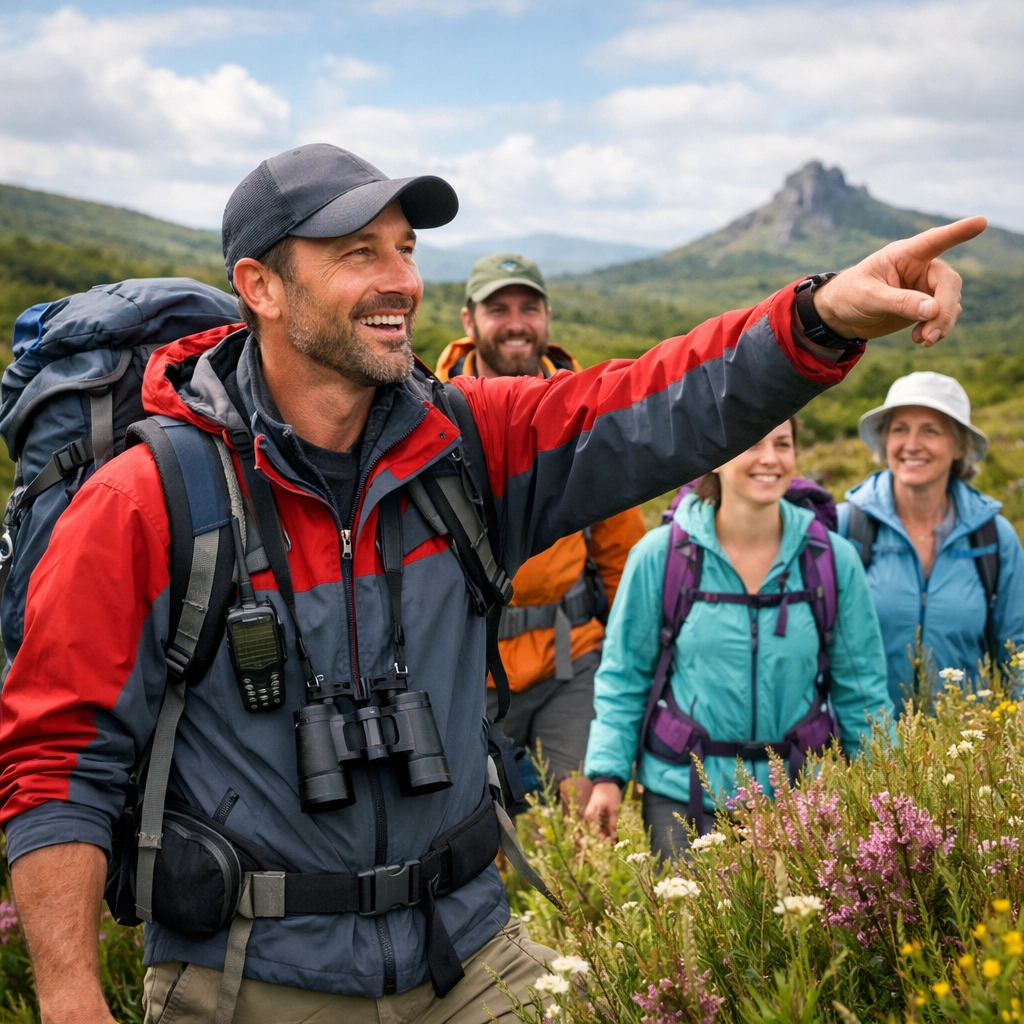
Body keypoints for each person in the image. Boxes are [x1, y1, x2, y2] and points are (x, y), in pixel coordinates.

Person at [0, 140, 982, 1024]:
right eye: (358, 253)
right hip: (249, 979)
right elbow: (58, 761)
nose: (401, 282)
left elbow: (655, 403)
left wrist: (816, 317)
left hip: (467, 960)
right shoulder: (152, 498)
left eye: (406, 249)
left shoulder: (462, 446)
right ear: (259, 284)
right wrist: (72, 997)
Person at [582, 419, 892, 858]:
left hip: (801, 799)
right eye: (752, 441)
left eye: (782, 444)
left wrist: (886, 793)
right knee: (688, 926)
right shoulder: (660, 555)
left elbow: (863, 693)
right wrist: (607, 776)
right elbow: (624, 676)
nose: (770, 458)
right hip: (681, 796)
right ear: (714, 457)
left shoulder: (830, 560)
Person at [435, 253, 646, 811]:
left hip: (569, 659)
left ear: (546, 317)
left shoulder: (584, 412)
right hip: (465, 668)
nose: (516, 322)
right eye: (498, 308)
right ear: (468, 321)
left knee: (585, 835)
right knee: (478, 839)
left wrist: (636, 658)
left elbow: (620, 551)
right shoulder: (429, 413)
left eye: (529, 307)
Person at [838, 372, 1024, 702]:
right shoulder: (846, 527)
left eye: (931, 430)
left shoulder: (994, 537)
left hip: (968, 747)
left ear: (959, 446)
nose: (912, 445)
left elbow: (1018, 652)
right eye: (899, 429)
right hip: (864, 745)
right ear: (885, 441)